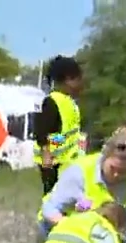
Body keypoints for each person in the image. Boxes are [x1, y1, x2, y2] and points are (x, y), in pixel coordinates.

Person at [35, 55, 87, 196]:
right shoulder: (52, 101)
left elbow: (64, 135)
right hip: (53, 163)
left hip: (67, 162)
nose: (81, 83)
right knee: (53, 199)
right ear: (68, 79)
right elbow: (42, 131)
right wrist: (47, 153)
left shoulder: (70, 102)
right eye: (78, 79)